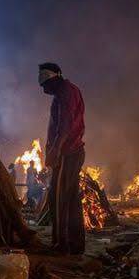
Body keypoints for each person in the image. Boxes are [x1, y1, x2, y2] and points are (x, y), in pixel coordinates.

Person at [39, 62, 86, 254]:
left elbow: (65, 125)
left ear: (55, 78)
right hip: (69, 153)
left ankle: (61, 245)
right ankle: (75, 245)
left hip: (68, 154)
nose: (43, 88)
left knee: (59, 199)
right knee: (70, 199)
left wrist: (55, 151)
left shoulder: (66, 92)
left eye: (45, 84)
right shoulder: (64, 92)